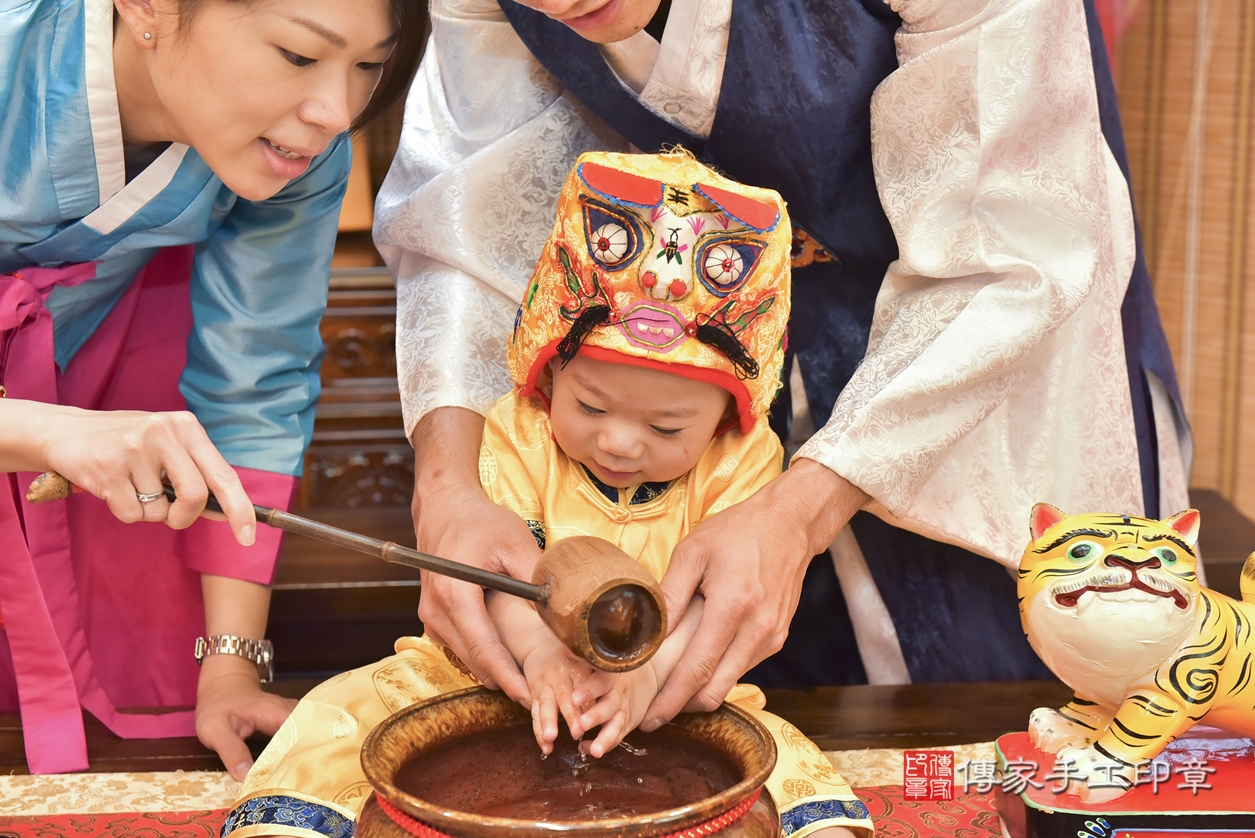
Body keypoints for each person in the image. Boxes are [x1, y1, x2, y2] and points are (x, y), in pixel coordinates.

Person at [373, 0, 1193, 719]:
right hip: (696, 380)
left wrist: (797, 512)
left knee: (1004, 720)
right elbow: (469, 223)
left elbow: (1010, 246)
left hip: (984, 361)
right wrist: (446, 489)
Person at [222, 150, 870, 838]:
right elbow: (499, 576)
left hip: (669, 690)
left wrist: (648, 682)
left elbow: (717, 606)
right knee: (340, 716)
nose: (620, 443)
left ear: (726, 416)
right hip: (486, 671)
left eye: (665, 426)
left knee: (783, 767)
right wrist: (536, 656)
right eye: (590, 406)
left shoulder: (741, 463)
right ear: (549, 370)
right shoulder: (518, 431)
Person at [0, 0, 422, 777]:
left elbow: (254, 379)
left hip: (80, 373)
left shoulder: (301, 151)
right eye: (299, 55)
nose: (334, 111)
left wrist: (230, 664)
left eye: (368, 66)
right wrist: (41, 432)